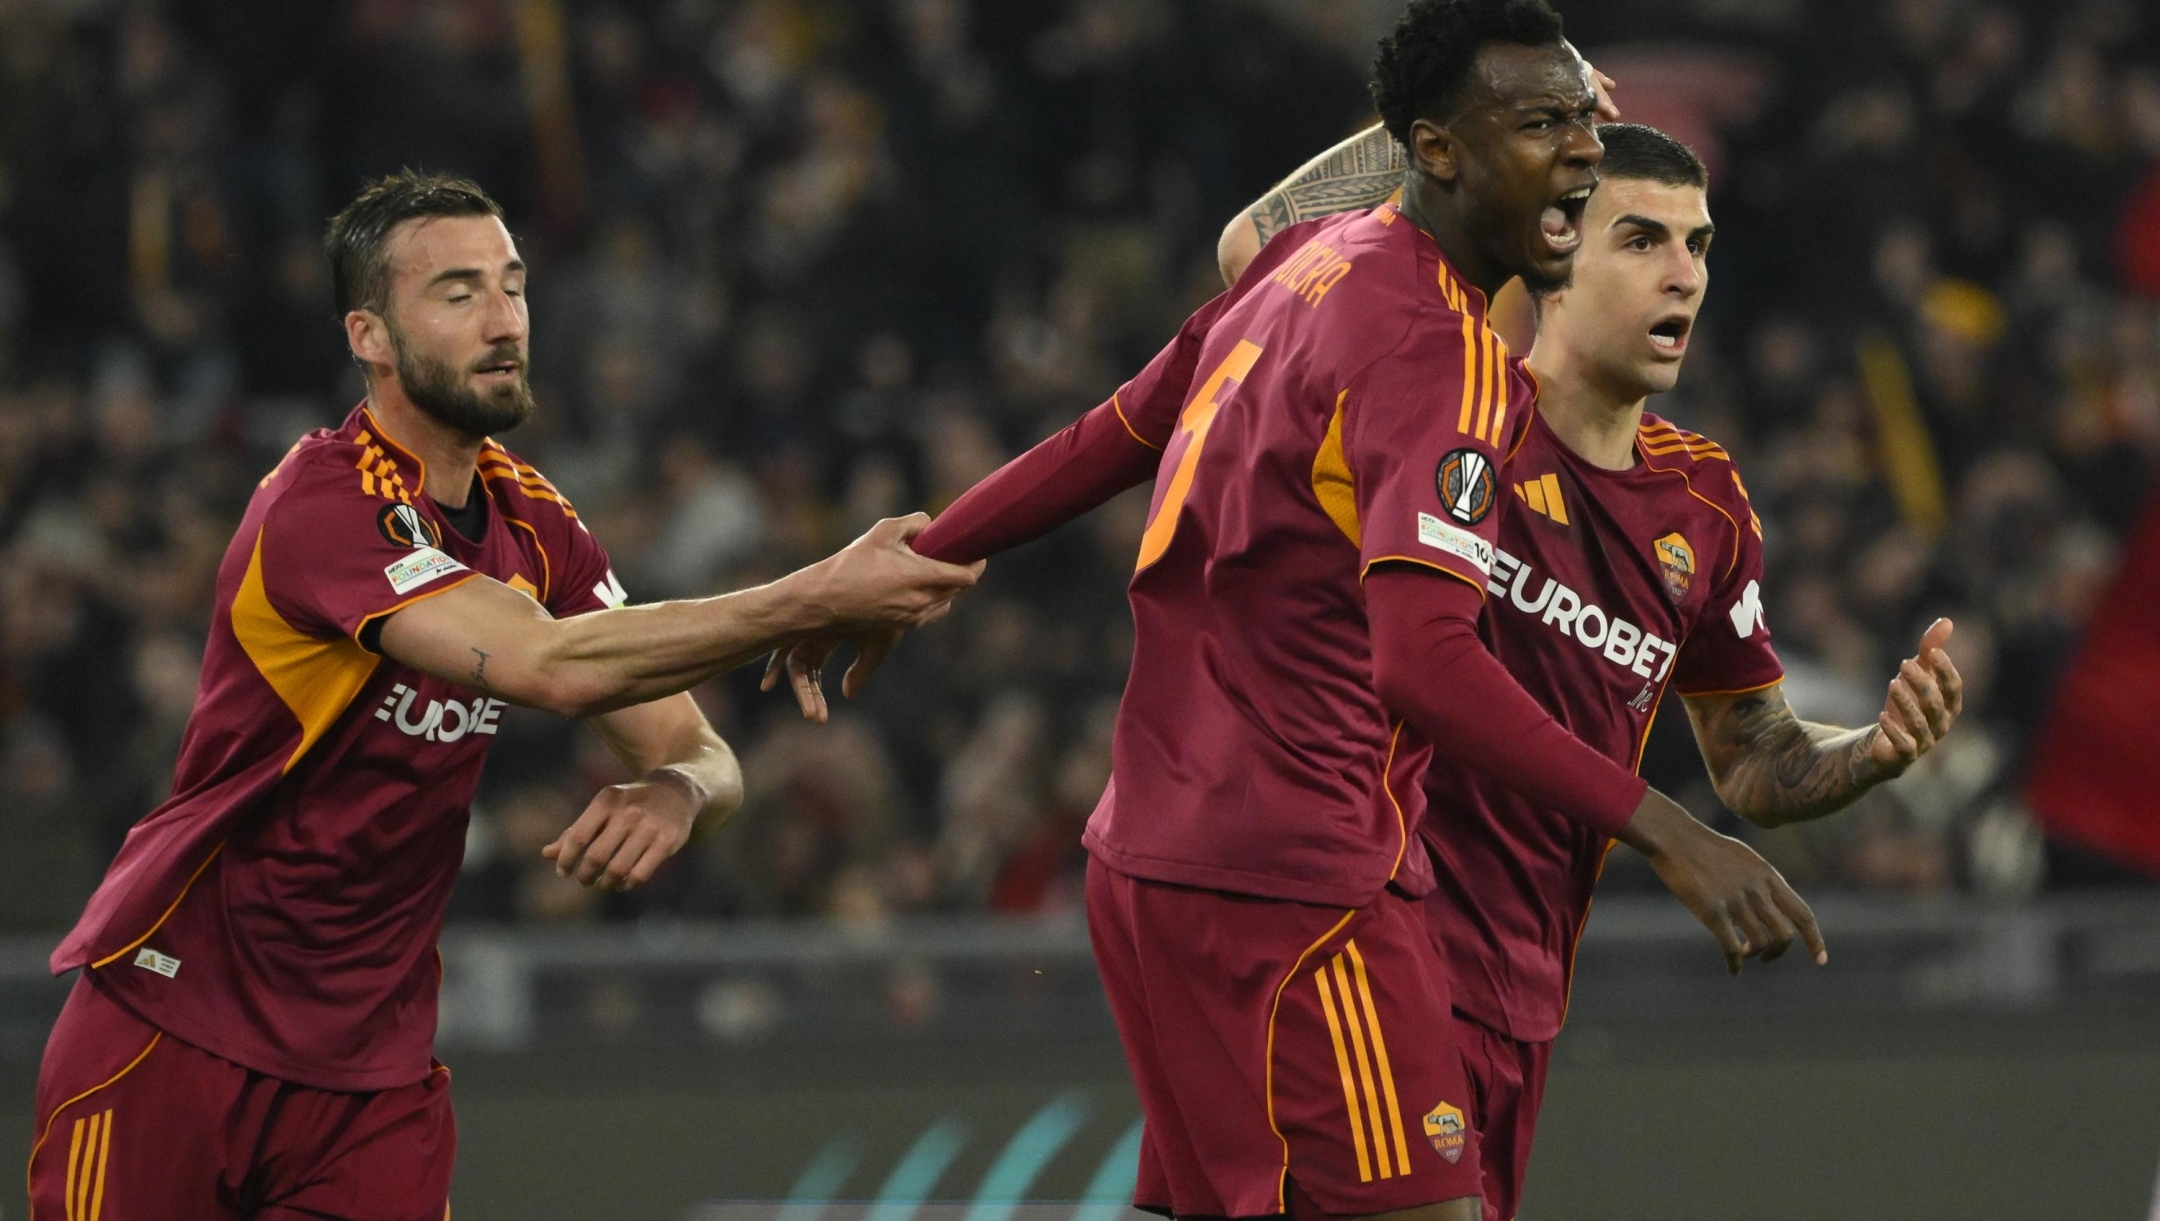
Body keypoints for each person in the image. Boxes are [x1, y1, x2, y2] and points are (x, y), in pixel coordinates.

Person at [772, 4, 1821, 1219]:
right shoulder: (1443, 357)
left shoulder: (1306, 260)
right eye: (1541, 128)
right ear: (1434, 148)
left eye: (1586, 123)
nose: (1585, 154)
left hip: (1148, 860)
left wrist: (933, 552)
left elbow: (1126, 424)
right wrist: (1671, 831)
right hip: (1301, 888)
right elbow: (1423, 663)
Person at [25, 171, 981, 1220]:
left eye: (513, 287)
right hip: (176, 1026)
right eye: (456, 293)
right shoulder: (322, 505)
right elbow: (549, 667)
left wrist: (677, 790)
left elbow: (704, 754)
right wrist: (814, 592)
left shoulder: (535, 522)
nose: (503, 321)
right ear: (371, 336)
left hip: (369, 1077)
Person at [1217, 123, 1966, 1220]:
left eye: (1699, 245)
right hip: (1360, 948)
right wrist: (1472, 112)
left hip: (1518, 999)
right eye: (1642, 239)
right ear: (1555, 251)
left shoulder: (1705, 507)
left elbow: (1755, 761)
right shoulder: (1445, 408)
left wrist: (1873, 753)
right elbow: (1257, 255)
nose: (1685, 275)